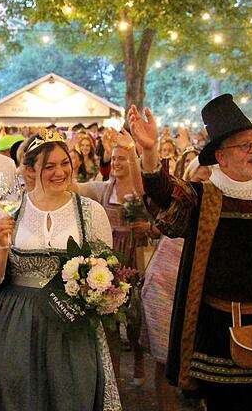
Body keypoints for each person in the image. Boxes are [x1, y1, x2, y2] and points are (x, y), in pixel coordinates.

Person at [129, 94, 252, 409]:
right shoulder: (202, 198)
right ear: (221, 157)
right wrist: (150, 150)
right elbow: (165, 196)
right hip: (217, 332)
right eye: (244, 144)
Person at [0, 130, 120, 410]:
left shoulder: (91, 212)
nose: (60, 172)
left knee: (72, 393)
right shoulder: (8, 211)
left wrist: (97, 289)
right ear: (30, 170)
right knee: (18, 395)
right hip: (18, 321)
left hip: (71, 324)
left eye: (64, 163)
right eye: (49, 166)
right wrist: (2, 246)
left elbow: (109, 271)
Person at [77, 130, 157, 385]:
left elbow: (143, 180)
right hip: (111, 261)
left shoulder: (140, 189)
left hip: (136, 257)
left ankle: (139, 360)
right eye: (114, 158)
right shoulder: (104, 188)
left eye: (121, 158)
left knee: (135, 316)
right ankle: (113, 376)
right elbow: (78, 187)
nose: (117, 163)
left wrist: (133, 151)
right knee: (110, 314)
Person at [142, 153, 209, 411]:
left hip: (198, 288)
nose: (206, 171)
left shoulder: (218, 204)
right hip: (164, 284)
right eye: (201, 168)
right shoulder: (180, 201)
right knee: (165, 357)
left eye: (211, 168)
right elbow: (160, 212)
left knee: (199, 353)